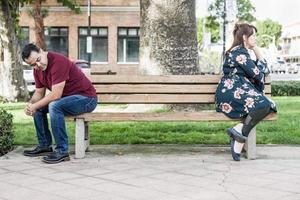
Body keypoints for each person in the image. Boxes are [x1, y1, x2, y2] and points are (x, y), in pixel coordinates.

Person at [21, 43, 97, 164]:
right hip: (68, 99)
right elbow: (39, 93)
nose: (38, 65)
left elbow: (56, 95)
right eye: (33, 65)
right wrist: (31, 105)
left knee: (54, 105)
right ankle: (44, 145)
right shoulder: (37, 70)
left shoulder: (58, 62)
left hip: (87, 99)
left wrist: (36, 105)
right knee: (39, 108)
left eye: (38, 60)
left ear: (41, 51)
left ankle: (62, 151)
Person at [215, 23, 277, 161]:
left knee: (267, 104)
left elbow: (263, 71)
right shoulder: (239, 53)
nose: (255, 38)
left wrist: (254, 48)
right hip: (231, 93)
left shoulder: (241, 52)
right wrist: (256, 50)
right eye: (253, 36)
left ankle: (239, 132)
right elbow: (260, 74)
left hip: (236, 90)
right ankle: (239, 137)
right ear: (244, 37)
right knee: (266, 105)